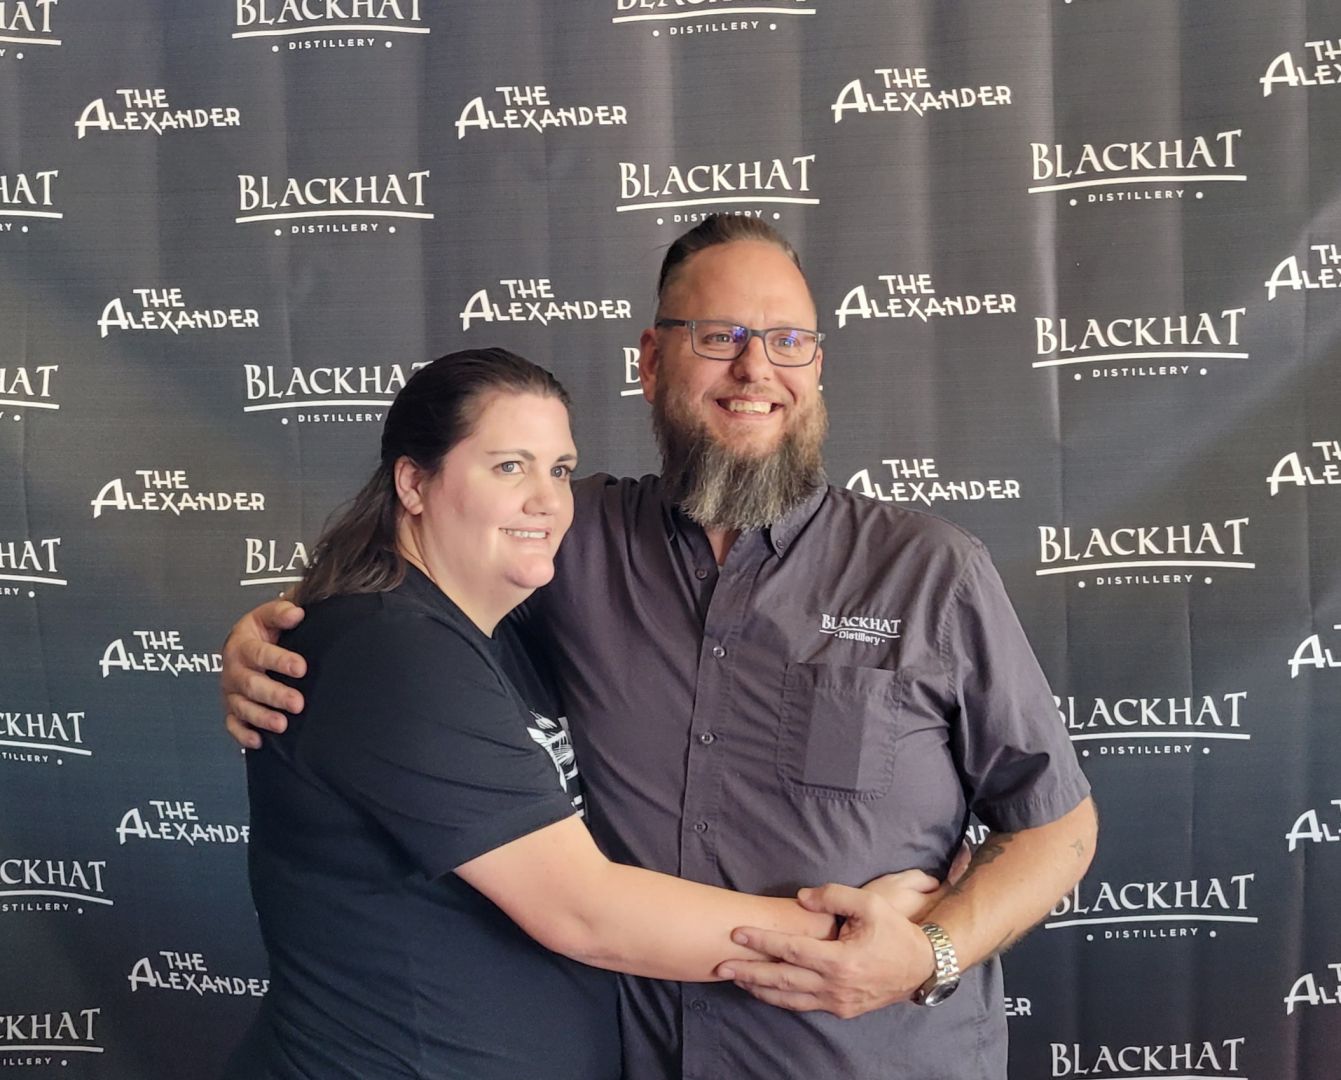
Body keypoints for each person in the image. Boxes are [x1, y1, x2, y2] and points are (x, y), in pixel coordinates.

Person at [224, 219, 1098, 1079]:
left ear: (816, 365)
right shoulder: (568, 541)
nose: (755, 369)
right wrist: (282, 629)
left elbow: (1056, 826)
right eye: (720, 336)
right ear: (649, 361)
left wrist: (928, 952)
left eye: (788, 341)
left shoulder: (930, 572)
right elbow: (414, 601)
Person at [223, 347, 934, 1080]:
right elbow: (582, 910)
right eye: (509, 467)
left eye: (559, 470)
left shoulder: (492, 634)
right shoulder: (391, 649)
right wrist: (846, 931)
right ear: (413, 482)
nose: (546, 500)